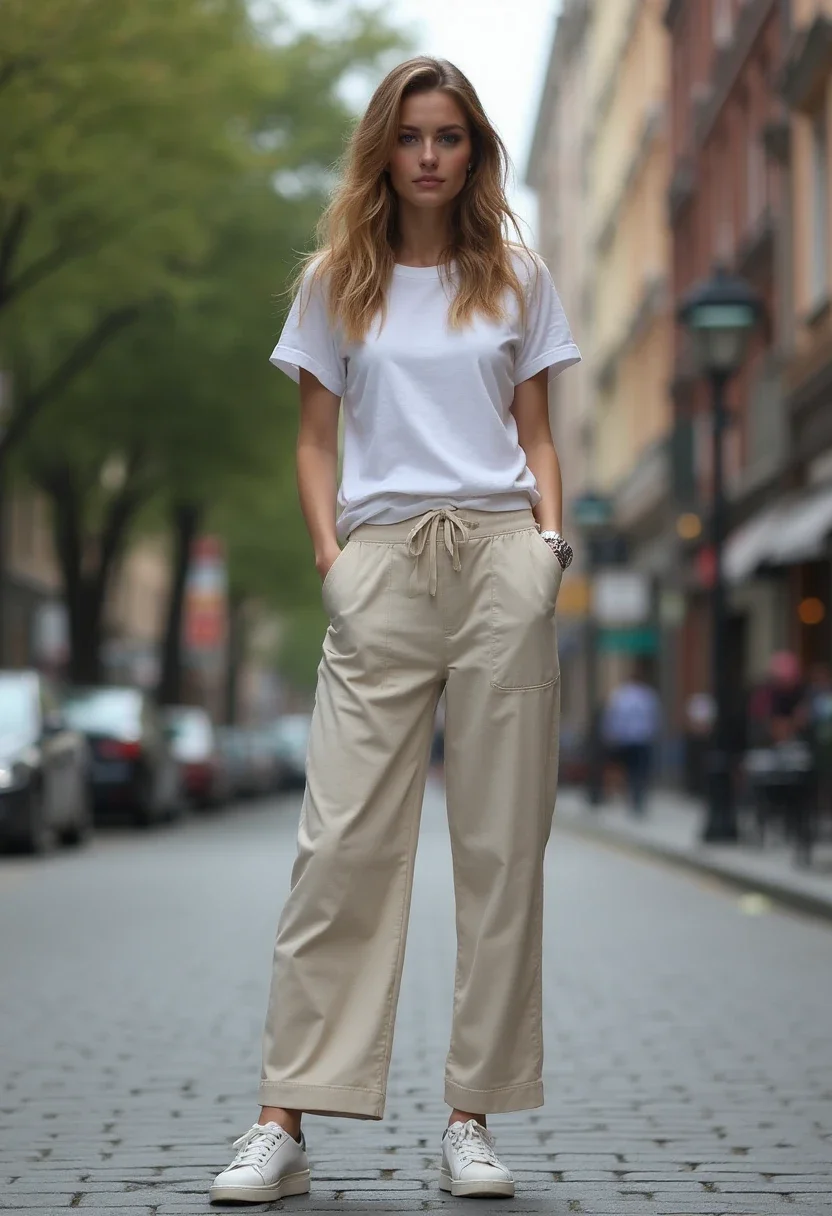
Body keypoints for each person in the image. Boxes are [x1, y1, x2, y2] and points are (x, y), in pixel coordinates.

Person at [210, 55, 580, 1205]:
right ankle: (283, 1116)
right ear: (385, 147)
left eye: (450, 137)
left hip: (497, 559)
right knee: (341, 848)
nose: (429, 156)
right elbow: (315, 440)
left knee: (499, 846)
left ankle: (470, 1115)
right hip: (380, 566)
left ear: (475, 152)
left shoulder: (516, 275)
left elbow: (538, 434)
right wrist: (333, 562)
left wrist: (547, 547)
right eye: (412, 135)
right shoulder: (338, 279)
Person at [601, 663, 661, 815]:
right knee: (640, 771)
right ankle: (638, 798)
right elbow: (654, 718)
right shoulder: (648, 695)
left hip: (625, 740)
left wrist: (611, 735)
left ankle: (632, 798)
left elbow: (613, 717)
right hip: (642, 739)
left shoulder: (620, 695)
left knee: (628, 771)